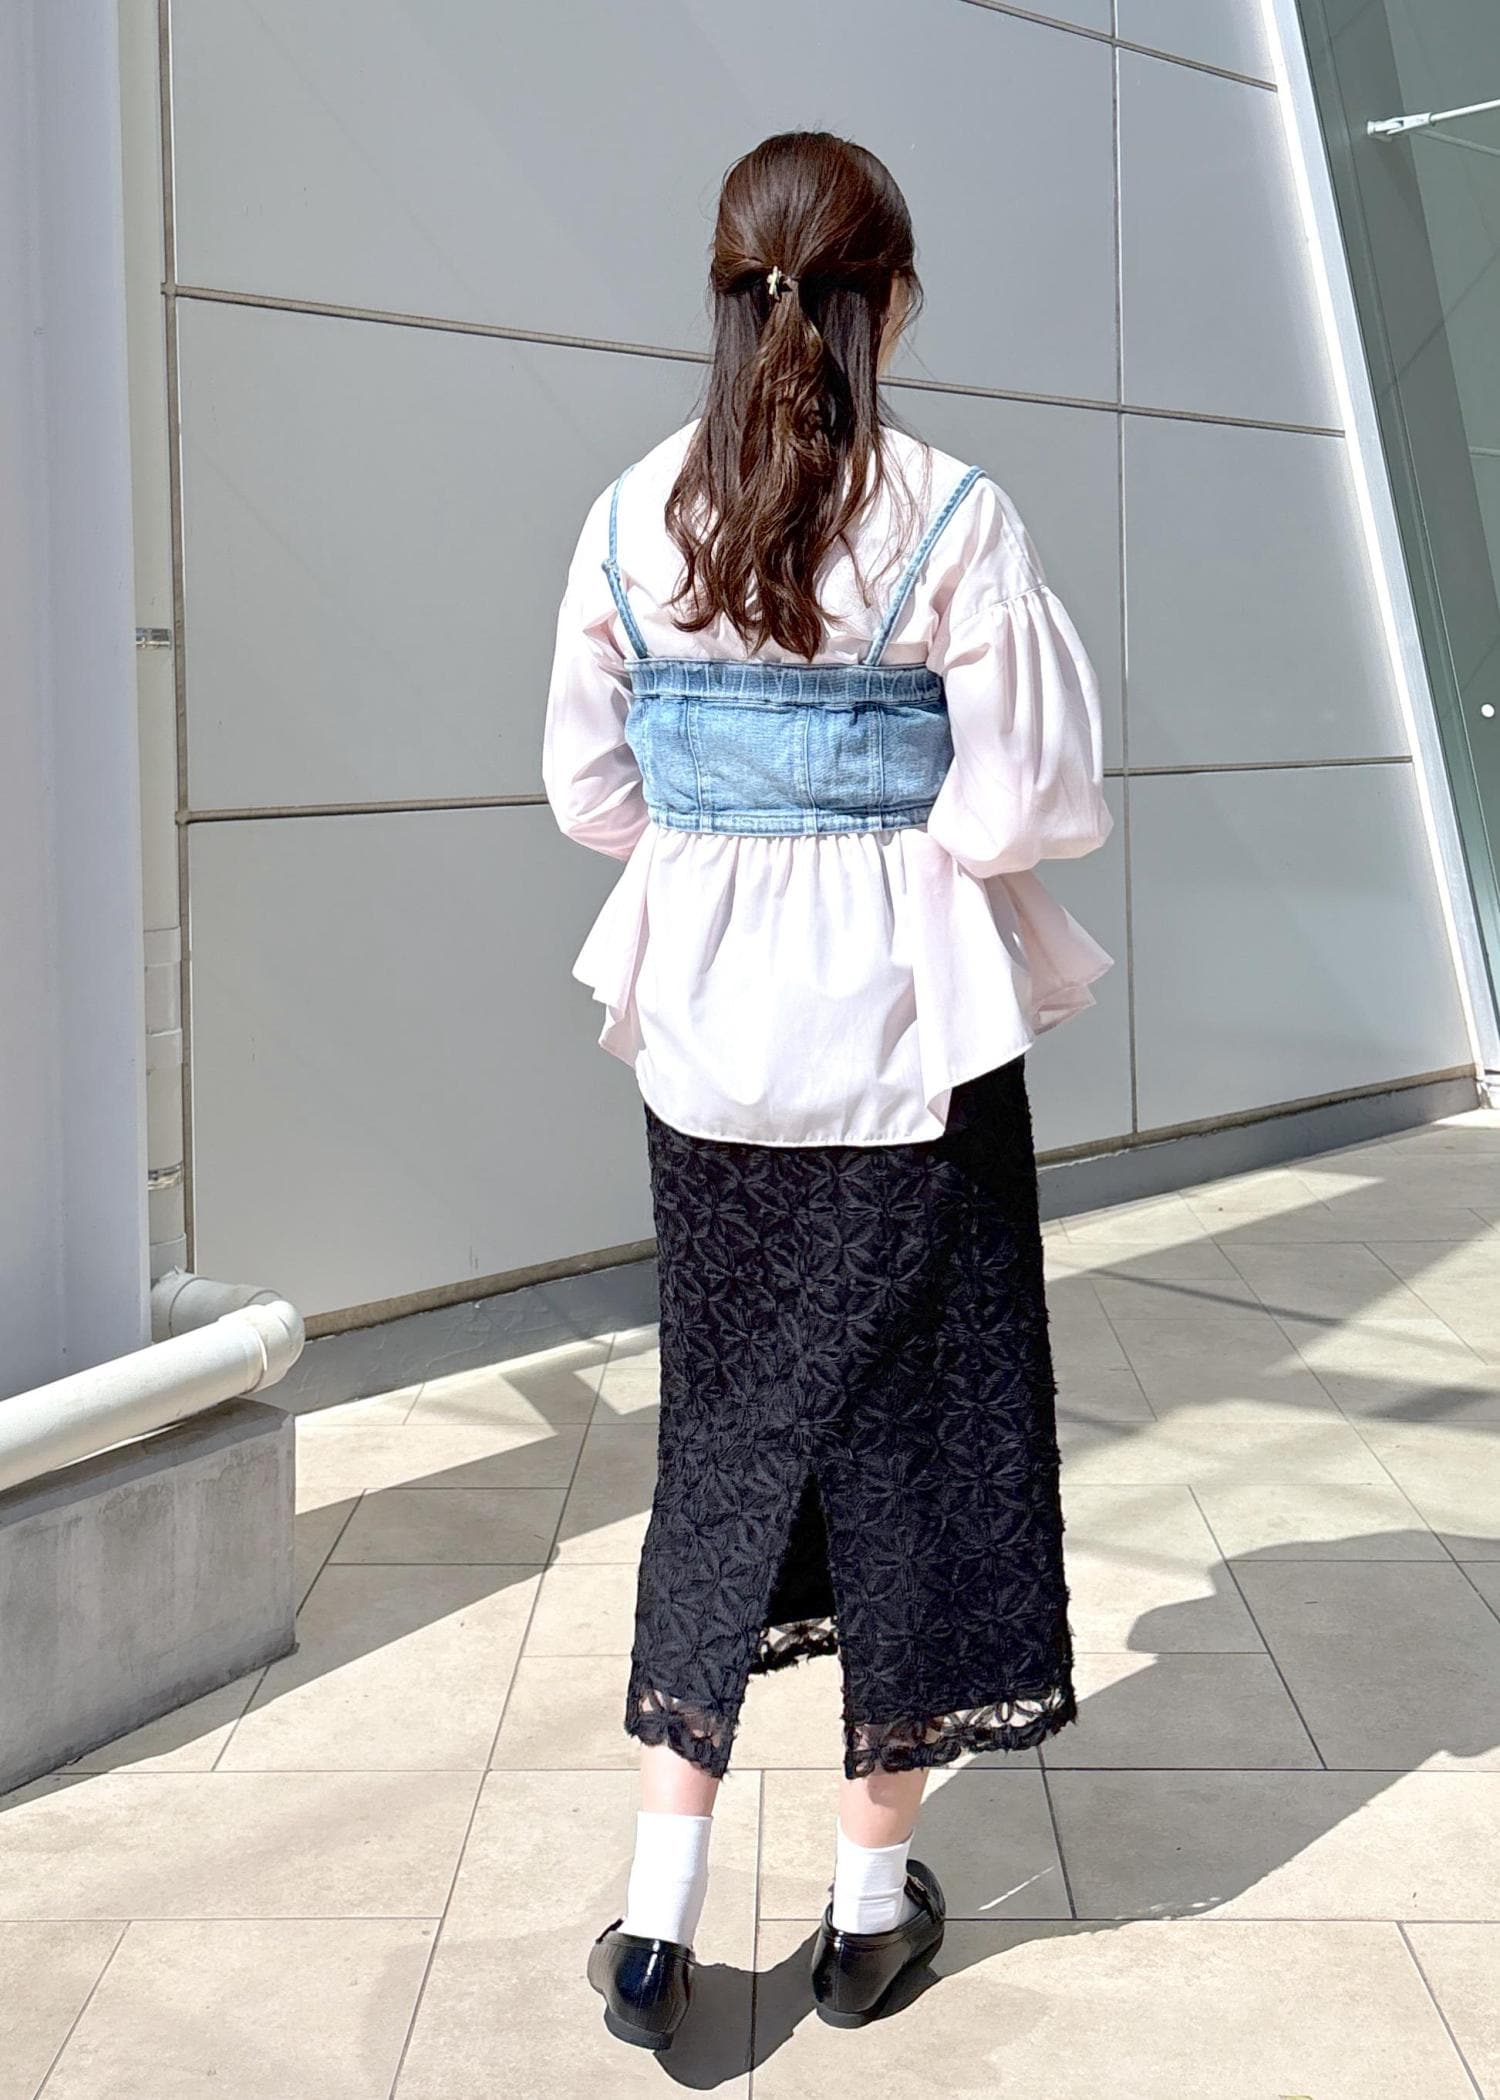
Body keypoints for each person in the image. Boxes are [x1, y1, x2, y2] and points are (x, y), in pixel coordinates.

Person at [541, 129, 1114, 2050]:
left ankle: (654, 1926)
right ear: (895, 299)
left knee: (721, 1443)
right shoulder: (954, 518)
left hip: (710, 1059)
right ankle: (869, 1919)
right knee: (917, 1457)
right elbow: (1025, 799)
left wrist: (732, 848)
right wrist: (885, 835)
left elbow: (589, 790)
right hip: (913, 1050)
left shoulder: (631, 516)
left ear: (726, 294)